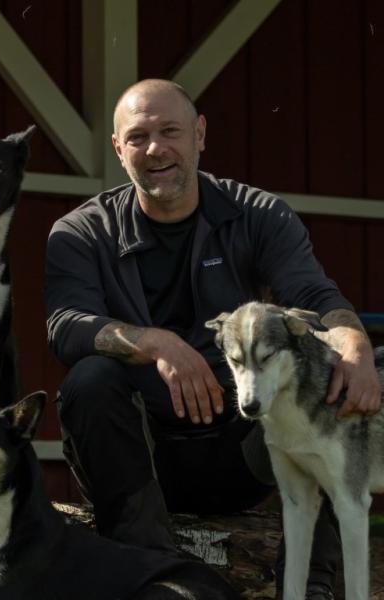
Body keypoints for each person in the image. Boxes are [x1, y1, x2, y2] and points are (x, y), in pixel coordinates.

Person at [44, 79, 381, 599]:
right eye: (137, 137)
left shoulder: (258, 214)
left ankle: (313, 585)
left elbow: (313, 295)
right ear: (118, 149)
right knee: (89, 379)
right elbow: (66, 325)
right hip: (142, 460)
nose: (155, 149)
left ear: (200, 134)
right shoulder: (81, 231)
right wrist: (158, 344)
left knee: (328, 364)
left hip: (244, 449)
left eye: (170, 131)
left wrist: (354, 346)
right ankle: (156, 581)